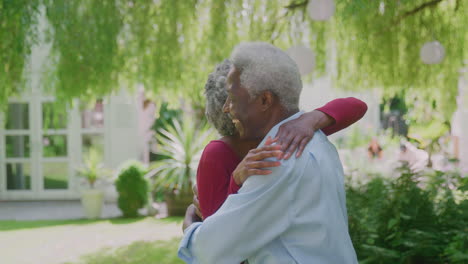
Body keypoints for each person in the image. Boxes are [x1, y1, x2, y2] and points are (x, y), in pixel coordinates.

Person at [178, 42, 358, 263]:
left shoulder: (275, 157)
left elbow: (210, 250)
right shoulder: (316, 140)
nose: (226, 108)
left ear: (264, 100)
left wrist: (190, 226)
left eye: (233, 99)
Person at [196, 59, 367, 219]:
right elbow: (214, 231)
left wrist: (310, 119)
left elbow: (356, 106)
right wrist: (236, 181)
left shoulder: (291, 132)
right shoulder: (216, 155)